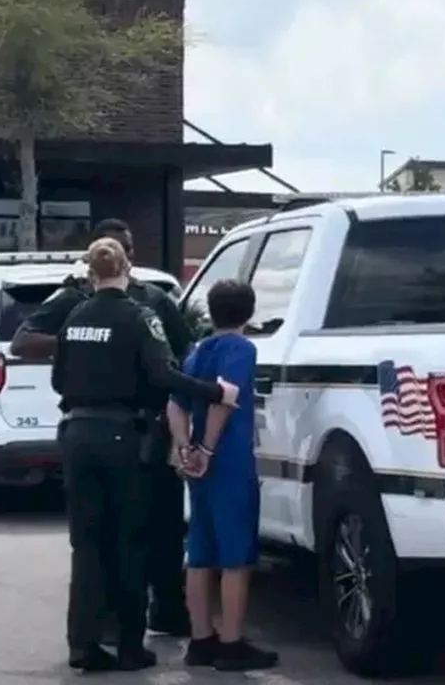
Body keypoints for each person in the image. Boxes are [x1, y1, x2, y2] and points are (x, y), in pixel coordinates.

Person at [52, 237, 238, 672]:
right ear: (127, 271)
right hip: (123, 436)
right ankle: (131, 647)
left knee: (87, 543)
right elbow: (163, 373)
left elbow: (59, 380)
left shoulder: (74, 317)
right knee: (130, 541)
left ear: (92, 274)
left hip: (76, 434)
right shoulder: (140, 317)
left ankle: (83, 644)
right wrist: (215, 392)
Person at [12, 217, 196, 637]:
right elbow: (23, 341)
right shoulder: (74, 300)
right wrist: (95, 343)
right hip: (113, 429)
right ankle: (113, 626)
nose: (128, 256)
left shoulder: (155, 298)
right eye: (119, 249)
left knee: (164, 526)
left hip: (153, 426)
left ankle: (167, 609)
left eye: (130, 248)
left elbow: (185, 353)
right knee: (111, 534)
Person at [166, 279, 278, 672]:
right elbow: (225, 398)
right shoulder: (241, 349)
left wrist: (185, 448)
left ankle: (201, 639)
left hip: (195, 462)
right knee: (235, 556)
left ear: (211, 311)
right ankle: (231, 643)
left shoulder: (196, 352)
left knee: (200, 551)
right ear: (248, 312)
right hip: (228, 460)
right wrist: (209, 450)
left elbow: (175, 403)